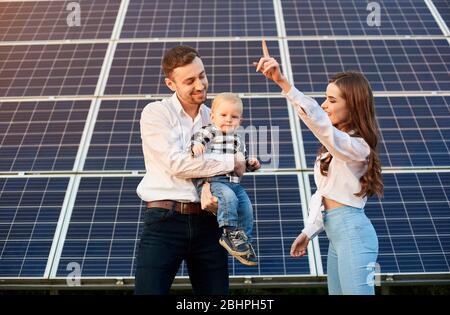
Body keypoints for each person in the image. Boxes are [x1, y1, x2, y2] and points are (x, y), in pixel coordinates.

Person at [255, 41, 383, 295]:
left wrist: (284, 84)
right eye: (325, 98)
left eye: (331, 100)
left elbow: (322, 126)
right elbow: (324, 195)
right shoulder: (333, 148)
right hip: (336, 234)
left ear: (353, 105)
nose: (325, 105)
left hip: (353, 234)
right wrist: (308, 232)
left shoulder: (358, 147)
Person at [135, 45, 247, 295]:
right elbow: (177, 164)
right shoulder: (156, 113)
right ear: (170, 84)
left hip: (209, 222)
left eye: (202, 75)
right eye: (189, 81)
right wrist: (230, 162)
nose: (200, 85)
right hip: (165, 221)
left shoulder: (218, 116)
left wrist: (231, 168)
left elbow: (236, 170)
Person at [190, 92, 261, 266]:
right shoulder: (210, 131)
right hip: (214, 181)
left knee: (246, 206)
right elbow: (197, 141)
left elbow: (241, 165)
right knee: (228, 198)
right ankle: (229, 232)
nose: (228, 120)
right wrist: (197, 145)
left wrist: (251, 164)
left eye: (234, 116)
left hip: (234, 183)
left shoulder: (237, 140)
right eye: (223, 115)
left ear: (240, 120)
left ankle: (242, 239)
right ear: (213, 116)